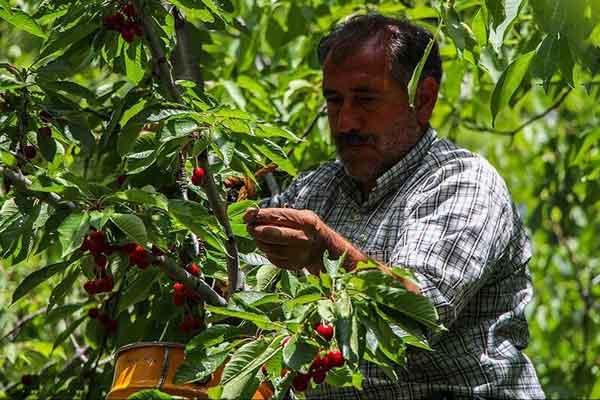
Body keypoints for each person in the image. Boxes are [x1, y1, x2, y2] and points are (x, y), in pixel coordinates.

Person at [244, 14, 545, 400]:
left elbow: (420, 312)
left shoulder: (462, 181)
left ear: (423, 99)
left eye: (366, 99)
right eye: (334, 102)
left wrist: (324, 250)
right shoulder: (315, 189)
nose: (345, 122)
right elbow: (230, 263)